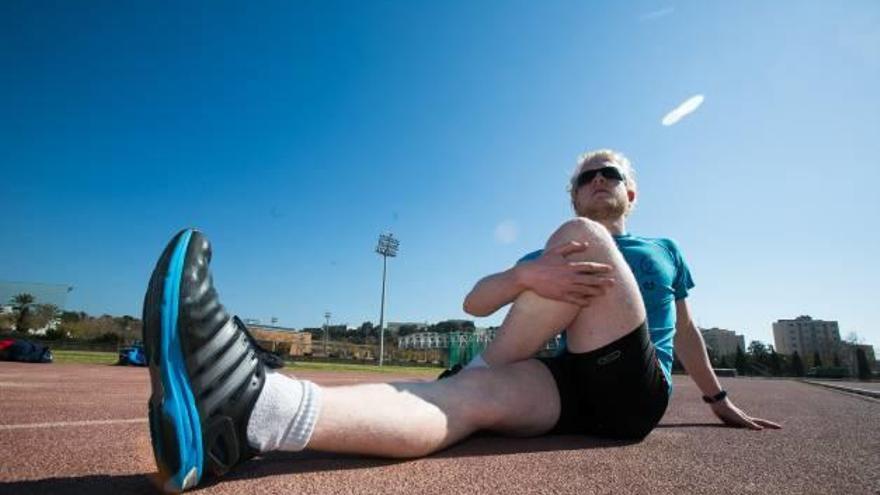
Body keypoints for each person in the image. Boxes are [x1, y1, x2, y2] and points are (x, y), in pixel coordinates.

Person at [143, 149, 780, 493]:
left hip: (632, 390)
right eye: (586, 177)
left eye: (609, 173)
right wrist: (526, 278)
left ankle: (473, 370)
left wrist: (716, 397)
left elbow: (689, 331)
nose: (597, 180)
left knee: (580, 241)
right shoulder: (546, 255)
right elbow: (477, 300)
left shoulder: (662, 251)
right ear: (574, 189)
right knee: (465, 400)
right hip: (563, 382)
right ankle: (254, 413)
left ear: (630, 192)